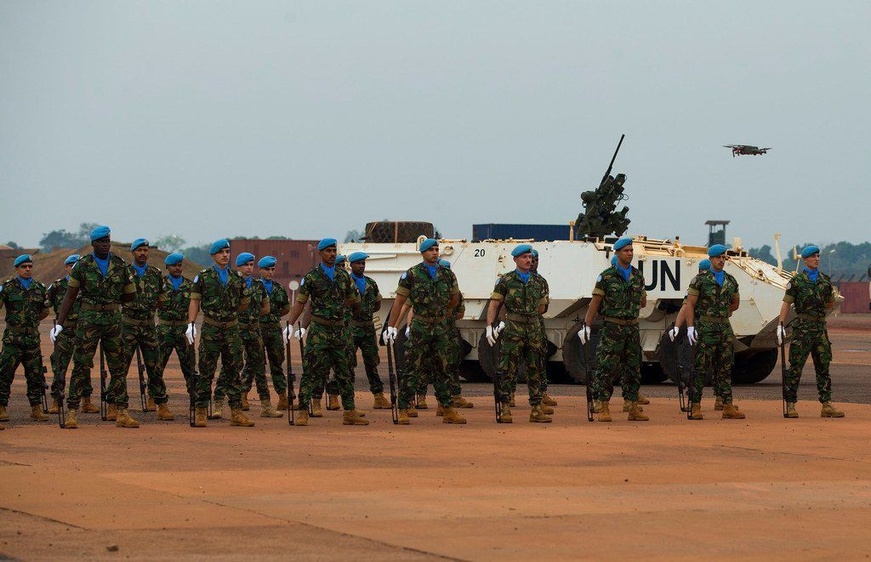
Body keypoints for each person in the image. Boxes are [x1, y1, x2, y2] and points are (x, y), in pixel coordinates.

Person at [51, 226, 139, 429]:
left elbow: (131, 294)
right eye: (101, 241)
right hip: (88, 320)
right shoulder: (82, 265)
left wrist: (113, 302)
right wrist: (60, 324)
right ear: (93, 244)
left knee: (118, 366)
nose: (105, 244)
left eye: (107, 241)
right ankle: (72, 411)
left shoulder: (119, 264)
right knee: (81, 365)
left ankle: (122, 412)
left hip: (112, 320)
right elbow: (70, 295)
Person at [285, 238, 368, 426]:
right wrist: (290, 324)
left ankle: (349, 411)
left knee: (344, 371)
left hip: (340, 331)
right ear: (320, 253)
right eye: (328, 251)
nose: (332, 254)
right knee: (311, 371)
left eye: (334, 251)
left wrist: (345, 315)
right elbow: (301, 302)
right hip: (319, 330)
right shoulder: (312, 277)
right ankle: (303, 411)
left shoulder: (343, 276)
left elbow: (354, 301)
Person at [383, 238, 466, 424]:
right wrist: (391, 325)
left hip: (441, 326)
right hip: (420, 326)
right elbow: (399, 301)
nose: (435, 252)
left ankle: (447, 409)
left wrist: (444, 313)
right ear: (423, 253)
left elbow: (454, 299)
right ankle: (404, 407)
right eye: (431, 250)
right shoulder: (412, 274)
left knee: (443, 368)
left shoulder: (447, 274)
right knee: (412, 368)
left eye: (437, 249)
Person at [186, 239, 255, 428]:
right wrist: (191, 323)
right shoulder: (204, 277)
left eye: (227, 251)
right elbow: (194, 301)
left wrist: (230, 315)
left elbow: (244, 302)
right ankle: (201, 410)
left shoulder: (236, 277)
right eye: (221, 252)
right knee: (206, 370)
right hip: (211, 328)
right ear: (213, 256)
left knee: (233, 370)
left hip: (231, 329)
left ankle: (236, 412)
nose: (225, 255)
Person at [580, 237, 648, 422]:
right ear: (617, 253)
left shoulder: (638, 276)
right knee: (606, 367)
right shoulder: (607, 277)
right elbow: (595, 303)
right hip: (612, 327)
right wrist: (587, 324)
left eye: (631, 250)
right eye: (626, 251)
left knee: (633, 368)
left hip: (632, 327)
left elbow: (642, 301)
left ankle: (633, 406)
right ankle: (602, 406)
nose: (630, 254)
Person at [776, 245, 844, 418]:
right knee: (796, 367)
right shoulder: (797, 281)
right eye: (813, 256)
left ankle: (826, 404)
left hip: (820, 329)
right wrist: (780, 325)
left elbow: (830, 303)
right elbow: (786, 303)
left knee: (823, 367)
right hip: (802, 330)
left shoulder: (824, 280)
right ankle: (791, 404)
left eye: (818, 256)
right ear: (805, 260)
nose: (817, 259)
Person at [486, 244, 551, 423]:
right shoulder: (506, 281)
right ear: (515, 259)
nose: (529, 260)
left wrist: (529, 316)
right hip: (513, 328)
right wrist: (490, 326)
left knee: (535, 368)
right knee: (508, 368)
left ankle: (537, 408)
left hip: (533, 328)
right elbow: (494, 304)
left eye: (530, 257)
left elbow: (542, 307)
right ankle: (505, 407)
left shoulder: (539, 282)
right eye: (524, 257)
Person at [114, 239, 174, 421]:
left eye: (145, 250)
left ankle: (161, 405)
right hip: (128, 325)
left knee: (155, 367)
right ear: (133, 252)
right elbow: (116, 296)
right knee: (120, 367)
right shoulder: (125, 272)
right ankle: (113, 405)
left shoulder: (155, 274)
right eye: (139, 250)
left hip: (148, 326)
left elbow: (162, 299)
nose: (142, 253)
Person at [684, 244, 744, 420]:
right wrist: (690, 327)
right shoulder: (699, 280)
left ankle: (727, 406)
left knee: (725, 367)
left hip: (724, 328)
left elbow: (735, 304)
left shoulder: (731, 281)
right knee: (701, 367)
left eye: (723, 257)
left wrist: (722, 312)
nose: (721, 260)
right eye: (718, 257)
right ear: (710, 259)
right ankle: (695, 406)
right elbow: (690, 305)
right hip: (706, 328)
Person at [46, 254, 99, 415]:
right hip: (64, 332)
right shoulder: (57, 286)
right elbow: (43, 304)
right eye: (71, 265)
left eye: (77, 265)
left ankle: (86, 401)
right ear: (66, 267)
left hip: (83, 331)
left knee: (84, 366)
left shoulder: (87, 286)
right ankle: (56, 401)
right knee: (59, 367)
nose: (74, 268)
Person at [0, 254, 51, 423]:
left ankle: (35, 409)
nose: (28, 269)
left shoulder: (39, 288)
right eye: (24, 267)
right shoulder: (8, 287)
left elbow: (44, 310)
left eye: (30, 266)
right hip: (12, 341)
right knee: (5, 374)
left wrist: (31, 322)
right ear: (17, 269)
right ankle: (1, 408)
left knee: (35, 375)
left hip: (32, 341)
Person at [669, 259, 726, 410]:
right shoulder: (700, 285)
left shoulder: (704, 283)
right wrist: (679, 327)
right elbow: (687, 306)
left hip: (708, 327)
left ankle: (718, 398)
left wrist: (677, 326)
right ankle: (704, 399)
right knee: (705, 365)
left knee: (711, 364)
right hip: (703, 328)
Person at [235, 252, 281, 418]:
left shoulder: (257, 285)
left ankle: (266, 406)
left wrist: (253, 316)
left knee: (260, 368)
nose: (249, 268)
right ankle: (233, 403)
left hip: (255, 330)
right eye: (245, 265)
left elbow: (267, 308)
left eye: (251, 265)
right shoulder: (233, 284)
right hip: (238, 330)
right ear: (239, 267)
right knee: (234, 365)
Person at [347, 252, 390, 409]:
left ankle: (378, 396)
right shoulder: (346, 282)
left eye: (363, 263)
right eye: (358, 263)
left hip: (367, 328)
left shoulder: (371, 283)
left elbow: (377, 304)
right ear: (350, 265)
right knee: (346, 363)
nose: (361, 266)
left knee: (372, 362)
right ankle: (338, 396)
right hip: (351, 327)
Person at [155, 253, 198, 409]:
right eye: (174, 266)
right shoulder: (160, 284)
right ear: (167, 267)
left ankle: (195, 399)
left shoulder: (189, 285)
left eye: (180, 265)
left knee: (190, 367)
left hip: (182, 328)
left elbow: (195, 305)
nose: (177, 268)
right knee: (157, 366)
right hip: (164, 329)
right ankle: (156, 398)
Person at [258, 256, 291, 412]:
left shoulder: (279, 288)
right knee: (254, 364)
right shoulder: (255, 287)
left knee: (277, 364)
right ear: (261, 270)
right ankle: (244, 396)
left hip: (274, 329)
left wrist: (274, 315)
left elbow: (286, 308)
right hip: (257, 329)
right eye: (267, 270)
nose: (270, 272)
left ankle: (283, 397)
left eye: (272, 269)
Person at [530, 249, 558, 410]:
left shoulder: (541, 281)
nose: (533, 262)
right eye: (530, 259)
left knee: (539, 358)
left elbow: (544, 306)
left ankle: (542, 393)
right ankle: (509, 394)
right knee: (511, 361)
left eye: (535, 259)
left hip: (536, 324)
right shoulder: (512, 279)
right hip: (516, 324)